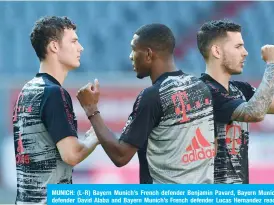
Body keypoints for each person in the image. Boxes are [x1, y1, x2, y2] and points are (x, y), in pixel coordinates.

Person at [76, 24, 216, 184]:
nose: (130, 56)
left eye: (134, 49)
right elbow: (213, 146)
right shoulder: (200, 87)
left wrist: (91, 110)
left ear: (149, 54)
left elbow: (120, 156)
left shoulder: (152, 96)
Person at [197, 19, 274, 184]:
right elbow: (255, 113)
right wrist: (272, 64)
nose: (245, 52)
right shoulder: (202, 91)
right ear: (217, 51)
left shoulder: (240, 89)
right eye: (238, 46)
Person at [12, 16, 99, 204]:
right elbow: (72, 155)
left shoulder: (26, 91)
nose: (80, 47)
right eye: (74, 41)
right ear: (54, 46)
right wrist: (95, 138)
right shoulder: (54, 93)